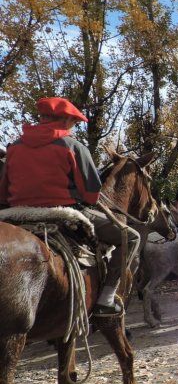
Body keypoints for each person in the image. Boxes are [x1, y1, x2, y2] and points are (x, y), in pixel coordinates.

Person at [0, 97, 140, 316]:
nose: (73, 127)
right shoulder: (72, 146)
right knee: (130, 237)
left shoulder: (14, 148)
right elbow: (92, 195)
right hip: (61, 211)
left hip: (16, 214)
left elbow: (3, 192)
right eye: (73, 122)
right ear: (65, 120)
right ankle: (106, 299)